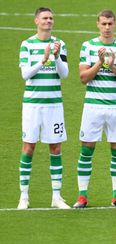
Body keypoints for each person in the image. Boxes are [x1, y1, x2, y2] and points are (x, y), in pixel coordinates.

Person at [74, 9, 116, 209]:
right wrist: (100, 62)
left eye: (110, 24)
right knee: (86, 150)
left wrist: (113, 66)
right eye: (103, 24)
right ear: (97, 24)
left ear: (115, 24)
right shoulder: (88, 47)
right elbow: (83, 78)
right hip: (93, 106)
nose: (107, 27)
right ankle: (82, 196)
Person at [18, 7, 70, 210]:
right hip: (32, 104)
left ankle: (56, 197)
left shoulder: (60, 44)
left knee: (56, 148)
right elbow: (25, 75)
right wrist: (43, 59)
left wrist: (55, 57)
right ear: (36, 21)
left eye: (51, 18)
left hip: (54, 104)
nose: (49, 21)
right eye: (45, 18)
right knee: (28, 147)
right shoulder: (27, 45)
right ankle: (24, 197)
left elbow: (64, 74)